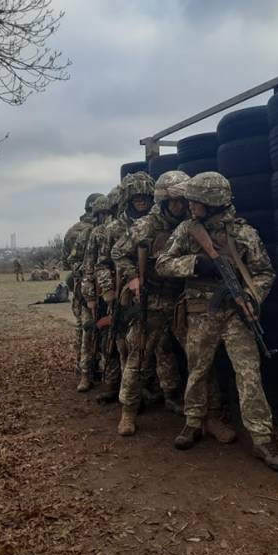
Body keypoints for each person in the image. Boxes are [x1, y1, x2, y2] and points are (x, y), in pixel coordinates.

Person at [155, 172, 278, 471]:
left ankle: (261, 436)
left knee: (249, 372)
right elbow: (162, 263)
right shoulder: (188, 230)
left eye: (195, 201)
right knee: (198, 370)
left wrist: (253, 298)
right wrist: (196, 264)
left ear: (212, 203)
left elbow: (265, 272)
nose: (190, 206)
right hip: (200, 311)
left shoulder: (243, 234)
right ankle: (193, 422)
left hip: (235, 313)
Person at [110, 171, 189, 433]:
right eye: (173, 201)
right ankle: (128, 411)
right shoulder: (145, 226)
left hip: (179, 300)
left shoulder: (188, 224)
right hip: (151, 300)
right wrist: (132, 278)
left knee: (188, 354)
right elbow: (119, 252)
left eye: (182, 201)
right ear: (164, 201)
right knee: (138, 355)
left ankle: (176, 399)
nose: (179, 206)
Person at [95, 171, 155, 435]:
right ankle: (128, 405)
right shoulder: (113, 229)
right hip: (125, 296)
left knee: (160, 351)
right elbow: (101, 265)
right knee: (127, 350)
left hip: (157, 295)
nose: (141, 201)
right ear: (128, 199)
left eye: (145, 196)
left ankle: (157, 393)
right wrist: (108, 291)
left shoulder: (158, 223)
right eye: (137, 197)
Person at [63, 193, 103, 373]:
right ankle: (89, 366)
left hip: (80, 283)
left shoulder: (73, 230)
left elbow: (68, 262)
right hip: (89, 283)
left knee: (83, 326)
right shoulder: (90, 231)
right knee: (90, 325)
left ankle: (83, 365)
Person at [78, 194, 114, 392]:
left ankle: (108, 377)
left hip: (110, 292)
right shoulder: (91, 234)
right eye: (101, 214)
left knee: (109, 338)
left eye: (107, 213)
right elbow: (88, 268)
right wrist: (90, 297)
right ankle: (85, 374)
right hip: (93, 293)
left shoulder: (116, 232)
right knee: (89, 334)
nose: (105, 217)